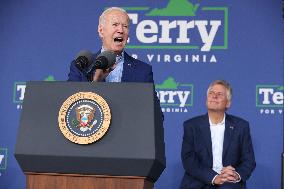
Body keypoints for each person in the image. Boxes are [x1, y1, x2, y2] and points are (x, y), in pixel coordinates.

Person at [180, 80, 256, 189]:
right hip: (199, 181)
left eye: (219, 94)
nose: (214, 96)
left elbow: (249, 161)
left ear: (228, 103)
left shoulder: (241, 126)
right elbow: (188, 160)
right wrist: (214, 177)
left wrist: (236, 175)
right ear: (207, 100)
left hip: (229, 182)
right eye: (211, 93)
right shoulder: (191, 125)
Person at [68, 7, 154, 83]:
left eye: (125, 26)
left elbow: (151, 101)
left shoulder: (143, 71)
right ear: (101, 31)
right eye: (115, 25)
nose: (120, 30)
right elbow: (71, 100)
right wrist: (95, 82)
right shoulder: (81, 67)